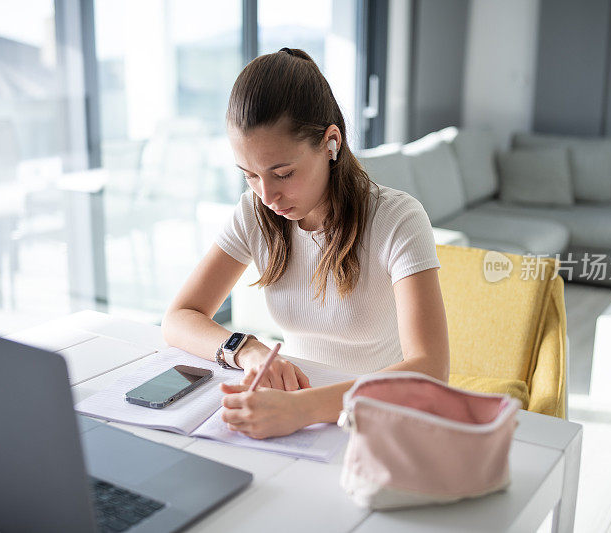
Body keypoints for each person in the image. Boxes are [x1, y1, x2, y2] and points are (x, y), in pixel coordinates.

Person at [162, 48, 450, 439]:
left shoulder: (399, 220)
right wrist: (246, 349)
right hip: (292, 415)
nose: (267, 195)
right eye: (249, 175)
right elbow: (179, 316)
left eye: (282, 173)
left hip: (374, 418)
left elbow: (430, 368)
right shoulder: (256, 213)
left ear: (331, 143)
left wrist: (303, 408)